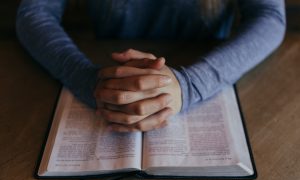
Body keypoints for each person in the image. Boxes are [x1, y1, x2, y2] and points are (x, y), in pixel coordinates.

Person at [16, 0, 286, 132]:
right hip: (109, 67)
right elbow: (34, 13)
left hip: (208, 65)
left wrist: (189, 85)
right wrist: (90, 80)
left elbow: (270, 16)